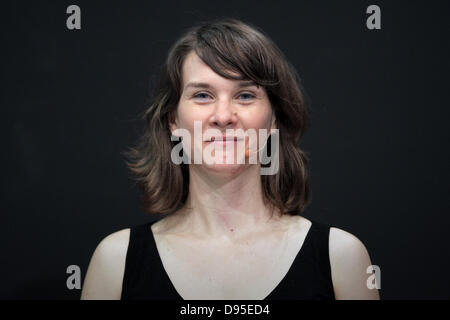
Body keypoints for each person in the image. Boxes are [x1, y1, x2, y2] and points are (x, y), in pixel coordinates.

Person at [80, 18, 380, 300]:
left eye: (246, 95)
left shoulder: (342, 258)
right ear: (173, 120)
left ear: (274, 118)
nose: (223, 116)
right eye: (202, 95)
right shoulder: (115, 263)